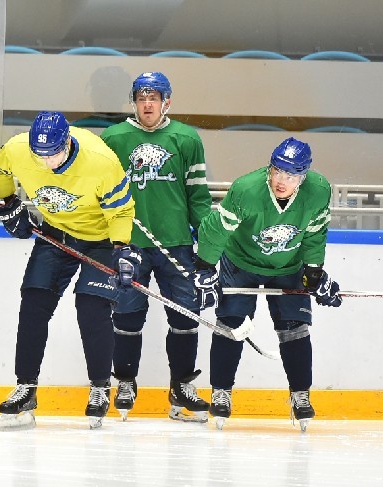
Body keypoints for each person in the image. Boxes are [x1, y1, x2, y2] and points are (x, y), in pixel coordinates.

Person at [0, 111, 138, 428]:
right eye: (40, 155)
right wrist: (10, 201)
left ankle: (98, 388)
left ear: (67, 141)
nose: (47, 162)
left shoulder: (100, 161)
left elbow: (122, 210)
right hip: (55, 233)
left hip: (101, 238)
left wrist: (122, 249)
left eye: (54, 153)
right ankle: (26, 388)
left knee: (91, 307)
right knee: (33, 304)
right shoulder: (17, 149)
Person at [193, 137, 342, 431]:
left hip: (289, 265)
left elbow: (314, 234)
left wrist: (314, 271)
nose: (281, 180)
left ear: (303, 176)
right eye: (277, 171)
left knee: (294, 328)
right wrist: (205, 266)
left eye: (290, 175)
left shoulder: (319, 190)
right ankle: (221, 391)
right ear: (270, 168)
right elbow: (215, 229)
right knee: (230, 324)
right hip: (241, 262)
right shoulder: (247, 189)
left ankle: (300, 395)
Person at [99, 72, 213, 422]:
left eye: (155, 97)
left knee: (185, 317)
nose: (147, 104)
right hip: (128, 245)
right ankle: (126, 382)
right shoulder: (113, 138)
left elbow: (198, 195)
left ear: (168, 102)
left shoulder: (186, 138)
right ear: (134, 102)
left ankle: (181, 386)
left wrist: (207, 249)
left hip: (176, 244)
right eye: (141, 97)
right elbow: (100, 190)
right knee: (126, 318)